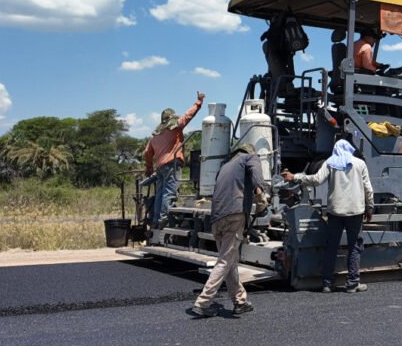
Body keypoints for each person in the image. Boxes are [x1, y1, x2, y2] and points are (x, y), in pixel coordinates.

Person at [282, 139, 374, 293]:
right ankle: (352, 284)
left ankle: (327, 283)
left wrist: (296, 177)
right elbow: (368, 189)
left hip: (335, 212)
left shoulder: (331, 162)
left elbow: (316, 180)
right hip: (355, 212)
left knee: (331, 247)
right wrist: (369, 208)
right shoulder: (360, 164)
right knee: (355, 247)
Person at [191, 142, 266, 317]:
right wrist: (261, 196)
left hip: (217, 217)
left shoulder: (224, 166)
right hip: (234, 214)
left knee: (230, 260)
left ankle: (239, 301)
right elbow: (257, 177)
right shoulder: (250, 158)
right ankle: (203, 302)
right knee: (225, 260)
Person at [144, 92, 204, 227]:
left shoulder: (154, 136)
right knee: (169, 193)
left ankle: (156, 220)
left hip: (159, 167)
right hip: (172, 164)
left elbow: (147, 152)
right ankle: (164, 219)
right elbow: (188, 116)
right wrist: (198, 102)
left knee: (160, 193)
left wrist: (149, 167)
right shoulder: (175, 128)